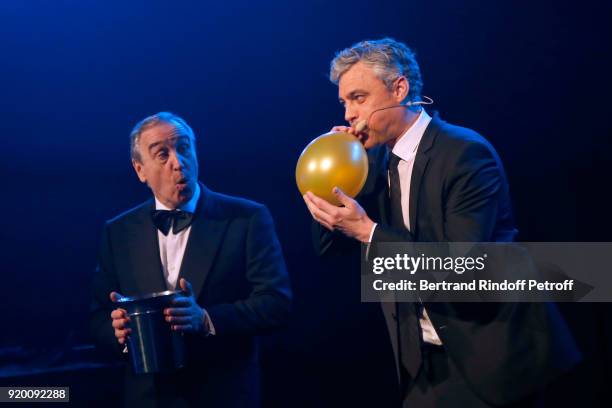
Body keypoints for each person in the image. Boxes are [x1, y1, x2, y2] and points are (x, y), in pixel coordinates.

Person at [303, 38, 580, 407]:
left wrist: (367, 231)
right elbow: (328, 249)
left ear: (398, 89)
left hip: (496, 359)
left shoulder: (464, 153)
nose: (349, 114)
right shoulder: (371, 164)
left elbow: (462, 270)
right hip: (424, 367)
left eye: (358, 97)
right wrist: (328, 185)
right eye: (344, 102)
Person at [90, 112, 291, 407]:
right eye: (162, 154)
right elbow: (97, 317)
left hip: (222, 395)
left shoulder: (246, 218)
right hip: (148, 398)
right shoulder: (118, 231)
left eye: (183, 148)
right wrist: (117, 331)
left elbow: (277, 303)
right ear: (140, 170)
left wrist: (206, 319)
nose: (178, 162)